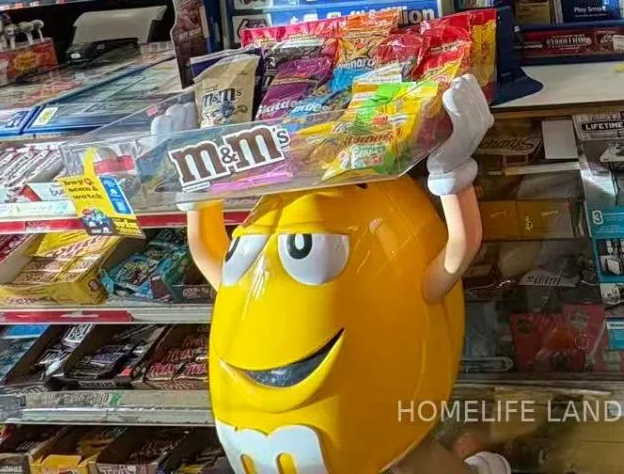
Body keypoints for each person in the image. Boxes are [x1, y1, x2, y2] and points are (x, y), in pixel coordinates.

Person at [183, 74, 511, 473]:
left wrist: (193, 174)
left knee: (404, 450)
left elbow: (205, 250)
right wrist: (450, 167)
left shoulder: (261, 249)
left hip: (271, 440)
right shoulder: (275, 243)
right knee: (410, 454)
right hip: (374, 428)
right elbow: (462, 246)